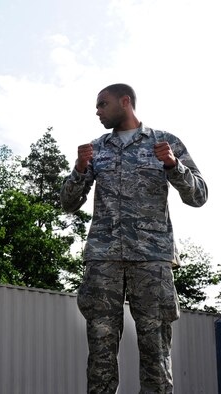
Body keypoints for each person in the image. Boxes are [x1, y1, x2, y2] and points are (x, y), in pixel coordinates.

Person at [60, 83, 208, 393]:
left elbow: (199, 195)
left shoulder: (164, 142)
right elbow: (68, 203)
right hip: (105, 258)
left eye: (103, 104)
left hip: (151, 258)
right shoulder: (96, 149)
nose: (97, 111)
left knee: (155, 350)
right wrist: (78, 169)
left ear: (124, 102)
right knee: (100, 351)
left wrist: (173, 165)